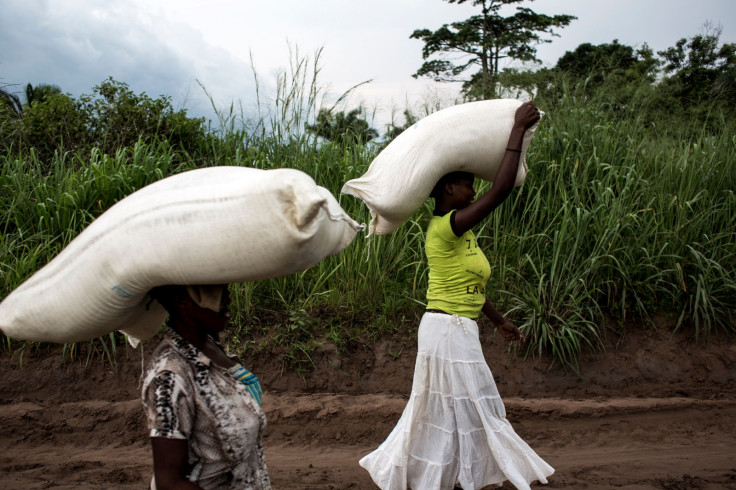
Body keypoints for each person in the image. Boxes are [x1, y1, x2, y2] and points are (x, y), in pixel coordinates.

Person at [359, 101, 553, 490]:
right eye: (468, 184)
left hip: (455, 327)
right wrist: (516, 130)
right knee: (475, 404)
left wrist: (499, 322)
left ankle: (436, 476)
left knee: (447, 409)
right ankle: (442, 475)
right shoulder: (445, 227)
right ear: (449, 188)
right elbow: (499, 192)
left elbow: (472, 288)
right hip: (446, 328)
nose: (474, 189)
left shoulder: (462, 232)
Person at [141, 284, 271, 490]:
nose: (227, 297)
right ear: (183, 302)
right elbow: (170, 483)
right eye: (214, 290)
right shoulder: (170, 375)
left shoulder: (208, 345)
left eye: (225, 287)